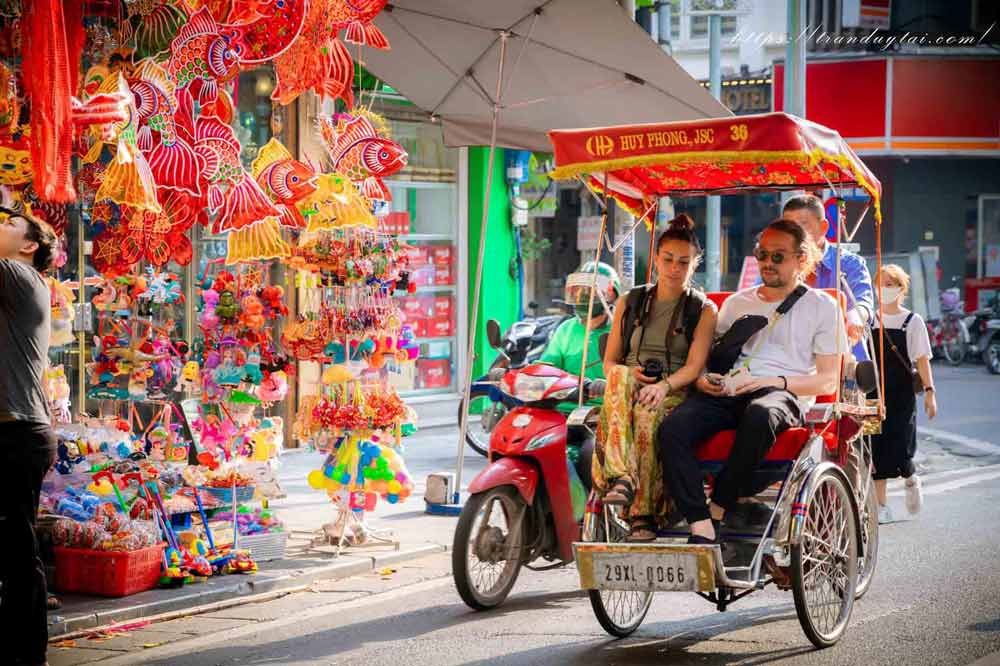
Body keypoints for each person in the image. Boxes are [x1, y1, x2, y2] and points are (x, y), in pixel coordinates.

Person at [657, 219, 844, 544]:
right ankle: (700, 523)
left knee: (759, 414)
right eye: (762, 255)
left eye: (778, 256)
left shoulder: (822, 307)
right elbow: (706, 361)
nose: (767, 263)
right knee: (672, 428)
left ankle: (718, 507)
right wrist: (703, 380)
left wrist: (772, 381)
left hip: (782, 394)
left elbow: (827, 381)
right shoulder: (736, 303)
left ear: (801, 258)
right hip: (729, 390)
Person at [593, 214, 717, 541]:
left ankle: (642, 514)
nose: (674, 268)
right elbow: (609, 363)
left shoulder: (702, 309)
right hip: (626, 384)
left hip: (672, 389)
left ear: (694, 265)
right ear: (656, 260)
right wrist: (628, 375)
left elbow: (693, 367)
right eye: (668, 260)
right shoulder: (630, 301)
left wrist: (663, 386)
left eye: (683, 262)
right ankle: (623, 477)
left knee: (647, 417)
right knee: (618, 378)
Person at [0, 190, 58, 666]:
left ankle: (27, 653)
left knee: (16, 549)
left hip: (16, 433)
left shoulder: (21, 276)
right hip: (12, 429)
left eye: (9, 224)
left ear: (28, 246)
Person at [870, 264, 936, 524]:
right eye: (880, 284)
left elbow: (922, 360)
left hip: (902, 393)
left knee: (901, 445)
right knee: (876, 449)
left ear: (901, 288)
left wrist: (930, 392)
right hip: (874, 393)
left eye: (890, 284)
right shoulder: (868, 320)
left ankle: (910, 477)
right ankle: (881, 505)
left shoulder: (913, 321)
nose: (884, 289)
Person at [780, 194, 874, 356]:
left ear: (823, 227)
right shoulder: (778, 263)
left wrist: (854, 319)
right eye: (789, 228)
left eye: (803, 225)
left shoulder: (850, 264)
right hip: (792, 358)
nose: (795, 234)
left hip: (843, 356)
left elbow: (862, 302)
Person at [539, 260, 620, 390]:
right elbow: (547, 365)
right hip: (563, 403)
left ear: (610, 294)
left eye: (589, 290)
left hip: (601, 407)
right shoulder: (566, 329)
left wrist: (609, 384)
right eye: (578, 290)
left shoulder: (621, 330)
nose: (581, 295)